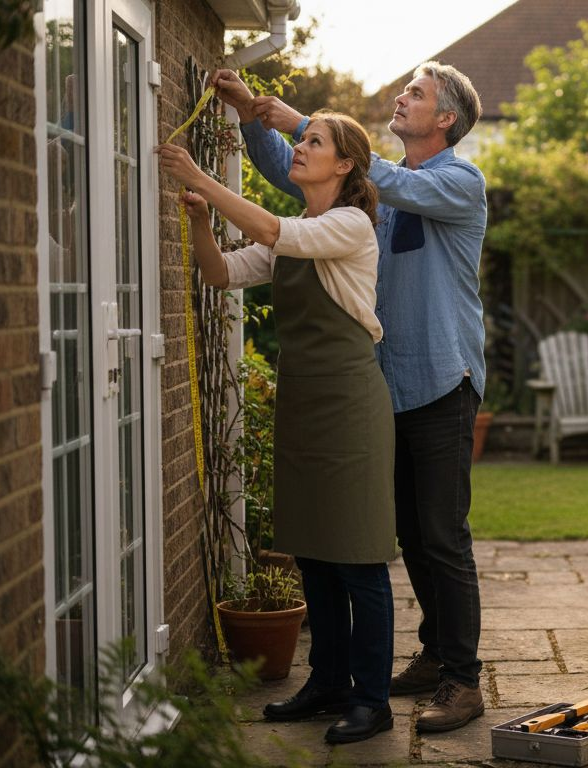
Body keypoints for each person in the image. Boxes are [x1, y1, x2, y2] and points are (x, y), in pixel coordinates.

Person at [211, 61, 489, 733]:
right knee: (406, 537)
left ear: (445, 118)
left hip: (441, 379)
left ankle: (462, 679)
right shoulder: (376, 198)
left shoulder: (458, 181)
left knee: (442, 536)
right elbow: (303, 180)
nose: (401, 96)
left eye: (416, 94)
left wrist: (301, 120)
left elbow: (370, 176)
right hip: (382, 386)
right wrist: (256, 117)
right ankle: (430, 655)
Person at [156, 111, 397, 745]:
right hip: (303, 405)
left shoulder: (349, 225)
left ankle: (373, 699)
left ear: (344, 165)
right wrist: (201, 224)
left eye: (313, 141)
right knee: (315, 554)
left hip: (350, 407)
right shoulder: (297, 233)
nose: (300, 147)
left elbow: (269, 226)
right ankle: (328, 684)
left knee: (361, 558)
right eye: (301, 138)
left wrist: (202, 178)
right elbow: (219, 273)